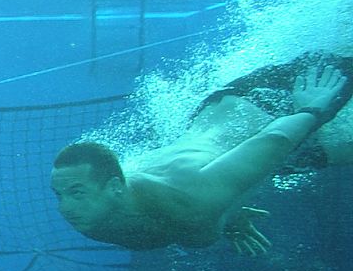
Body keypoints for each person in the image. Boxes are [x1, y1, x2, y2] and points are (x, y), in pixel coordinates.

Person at [50, 55, 353, 255]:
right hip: (230, 130)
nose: (65, 208)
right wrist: (229, 213)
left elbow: (276, 139)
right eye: (60, 195)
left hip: (266, 104)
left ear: (115, 186)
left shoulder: (191, 195)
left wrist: (310, 107)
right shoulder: (96, 218)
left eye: (77, 193)